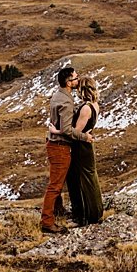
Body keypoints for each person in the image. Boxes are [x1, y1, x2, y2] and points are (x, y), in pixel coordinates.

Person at [40, 66, 79, 233]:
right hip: (60, 146)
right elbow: (67, 130)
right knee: (55, 185)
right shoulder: (65, 101)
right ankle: (47, 222)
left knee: (56, 182)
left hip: (53, 143)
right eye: (75, 78)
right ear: (68, 82)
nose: (78, 80)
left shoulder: (58, 95)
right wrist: (86, 137)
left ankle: (57, 210)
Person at [62, 79, 104, 225]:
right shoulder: (95, 105)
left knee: (78, 180)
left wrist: (58, 130)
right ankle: (95, 212)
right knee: (89, 178)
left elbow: (76, 132)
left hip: (80, 147)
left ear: (82, 90)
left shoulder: (86, 108)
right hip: (86, 146)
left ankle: (82, 216)